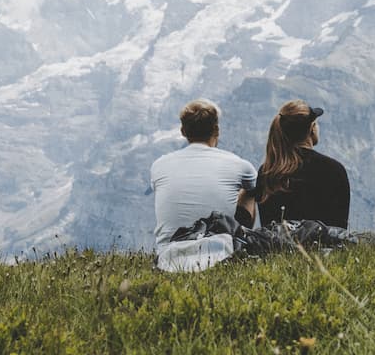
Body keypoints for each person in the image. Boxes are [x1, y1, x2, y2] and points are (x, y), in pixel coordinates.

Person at [150, 98, 256, 270]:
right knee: (249, 191)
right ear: (217, 130)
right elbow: (255, 190)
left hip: (167, 258)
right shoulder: (240, 165)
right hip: (221, 255)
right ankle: (240, 241)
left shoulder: (158, 165)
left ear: (183, 131)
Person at [240, 100, 349, 229]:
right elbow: (340, 227)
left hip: (276, 247)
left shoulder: (268, 172)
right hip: (324, 247)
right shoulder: (334, 170)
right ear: (312, 129)